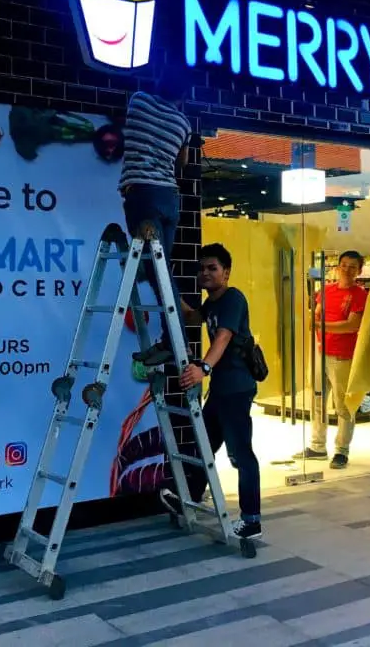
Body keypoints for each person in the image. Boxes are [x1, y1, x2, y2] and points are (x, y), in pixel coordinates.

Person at [159, 243, 263, 540]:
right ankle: (188, 501)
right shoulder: (213, 303)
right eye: (201, 268)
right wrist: (166, 286)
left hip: (237, 389)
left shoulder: (232, 298)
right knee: (203, 447)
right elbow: (193, 317)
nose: (205, 273)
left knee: (241, 454)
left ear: (226, 273)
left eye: (212, 268)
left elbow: (224, 336)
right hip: (220, 391)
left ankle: (252, 520)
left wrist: (203, 368)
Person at [120, 65, 194, 368]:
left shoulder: (139, 101)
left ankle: (175, 344)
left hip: (142, 195)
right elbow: (183, 164)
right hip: (169, 199)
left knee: (156, 273)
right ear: (183, 96)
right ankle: (173, 334)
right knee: (161, 271)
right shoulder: (183, 123)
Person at [294, 250, 367, 469]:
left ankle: (342, 451)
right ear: (337, 267)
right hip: (320, 351)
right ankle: (317, 446)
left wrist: (320, 325)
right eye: (344, 265)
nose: (347, 270)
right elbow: (316, 314)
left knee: (344, 404)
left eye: (352, 266)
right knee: (317, 399)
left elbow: (352, 325)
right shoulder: (325, 291)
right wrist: (317, 322)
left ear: (359, 270)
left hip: (343, 355)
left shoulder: (360, 294)